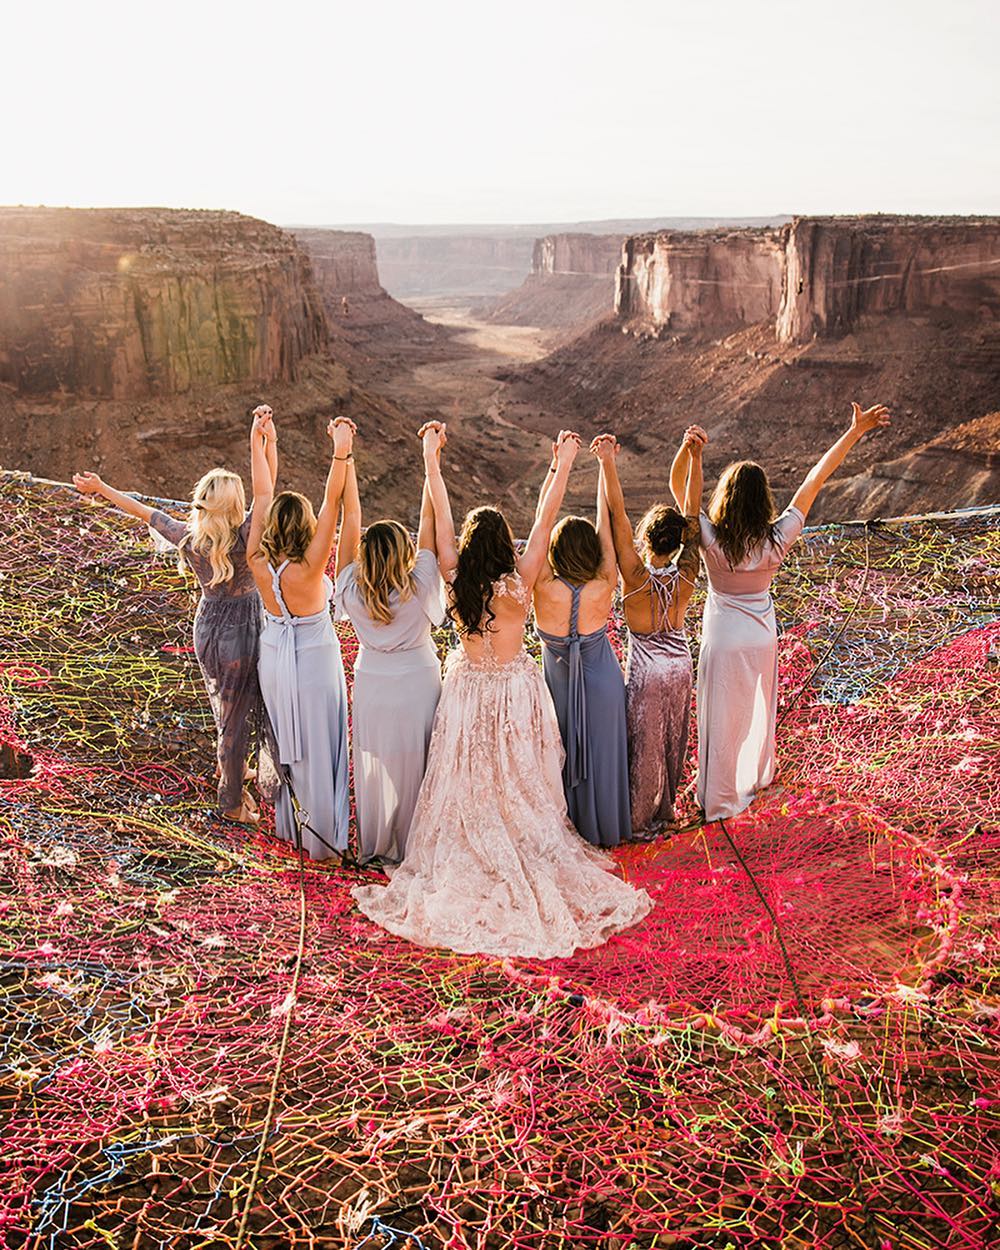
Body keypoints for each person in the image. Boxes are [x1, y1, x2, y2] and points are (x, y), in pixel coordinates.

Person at [352, 425, 652, 959]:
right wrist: (561, 462)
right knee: (519, 776)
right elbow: (543, 518)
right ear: (501, 542)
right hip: (515, 688)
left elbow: (440, 519)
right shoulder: (521, 577)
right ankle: (521, 839)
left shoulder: (454, 575)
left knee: (470, 777)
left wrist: (431, 460)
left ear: (469, 546)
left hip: (468, 689)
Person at [72, 411, 277, 824]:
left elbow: (142, 510)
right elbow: (267, 492)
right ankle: (232, 802)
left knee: (226, 706)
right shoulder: (245, 537)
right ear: (236, 505)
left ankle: (230, 765)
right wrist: (260, 443)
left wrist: (100, 488)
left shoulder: (189, 537)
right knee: (238, 713)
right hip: (242, 629)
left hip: (208, 626)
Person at [692, 402, 891, 821]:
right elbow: (815, 479)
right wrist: (854, 432)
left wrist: (693, 455)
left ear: (725, 499)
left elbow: (688, 502)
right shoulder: (778, 538)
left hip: (724, 640)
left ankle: (717, 796)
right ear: (762, 499)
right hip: (762, 639)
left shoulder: (711, 539)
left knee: (720, 720)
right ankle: (755, 775)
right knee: (757, 710)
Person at [247, 411, 355, 860]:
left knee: (286, 744)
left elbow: (261, 492)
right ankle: (323, 840)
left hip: (273, 656)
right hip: (311, 658)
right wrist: (341, 449)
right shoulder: (310, 568)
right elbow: (334, 503)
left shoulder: (257, 558)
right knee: (318, 742)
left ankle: (290, 831)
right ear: (304, 524)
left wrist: (261, 443)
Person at [334, 432, 446, 864]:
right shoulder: (419, 582)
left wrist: (347, 458)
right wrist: (429, 461)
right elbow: (429, 523)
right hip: (418, 681)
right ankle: (419, 845)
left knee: (376, 766)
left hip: (373, 683)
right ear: (404, 551)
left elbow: (350, 518)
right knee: (420, 764)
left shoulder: (351, 588)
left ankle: (379, 845)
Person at [592, 425, 705, 835]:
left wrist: (607, 462)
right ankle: (664, 809)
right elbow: (692, 514)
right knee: (673, 741)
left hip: (648, 672)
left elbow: (617, 514)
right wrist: (696, 457)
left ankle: (638, 817)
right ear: (677, 543)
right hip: (680, 666)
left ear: (646, 538)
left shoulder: (635, 577)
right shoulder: (688, 570)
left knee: (644, 746)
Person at [533, 437, 630, 847]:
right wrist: (605, 464)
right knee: (605, 761)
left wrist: (560, 466)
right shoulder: (604, 582)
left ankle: (564, 835)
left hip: (555, 689)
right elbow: (606, 520)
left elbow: (543, 518)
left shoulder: (540, 585)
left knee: (558, 761)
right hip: (603, 683)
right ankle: (605, 831)